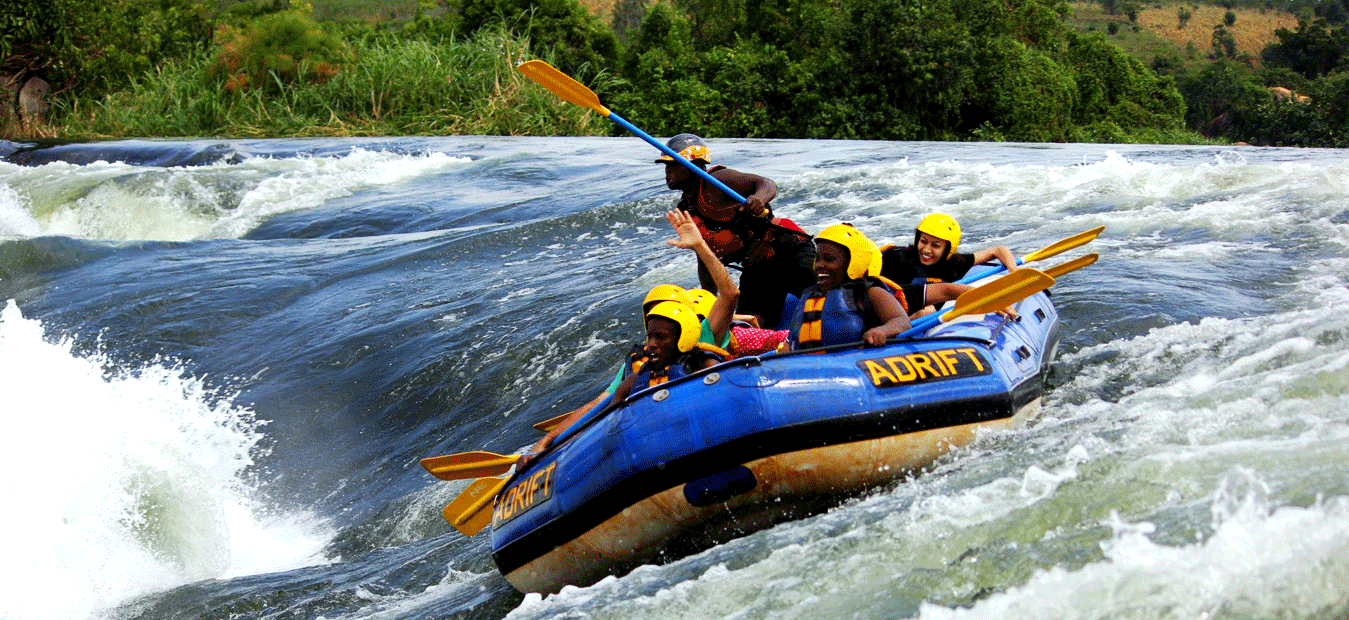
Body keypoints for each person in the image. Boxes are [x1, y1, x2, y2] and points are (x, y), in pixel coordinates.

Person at [528, 301, 724, 459]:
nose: (651, 344)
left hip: (698, 437)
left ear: (683, 338)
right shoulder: (635, 379)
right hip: (653, 450)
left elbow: (724, 393)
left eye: (660, 337)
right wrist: (548, 445)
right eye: (650, 337)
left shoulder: (703, 363)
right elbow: (604, 421)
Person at [657, 133, 815, 330]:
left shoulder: (718, 181)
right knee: (746, 329)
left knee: (822, 300)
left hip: (788, 251)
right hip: (757, 270)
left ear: (691, 165)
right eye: (665, 166)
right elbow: (705, 259)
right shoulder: (686, 210)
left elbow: (766, 184)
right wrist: (709, 301)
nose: (667, 171)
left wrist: (759, 199)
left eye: (672, 165)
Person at [785, 224, 912, 350]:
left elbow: (901, 320)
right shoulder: (809, 295)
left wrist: (882, 331)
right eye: (817, 259)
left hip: (857, 363)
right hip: (808, 365)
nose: (819, 265)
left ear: (853, 263)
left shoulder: (869, 292)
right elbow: (789, 343)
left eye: (828, 259)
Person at [880, 213, 1018, 286]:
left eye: (935, 245)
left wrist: (1014, 274)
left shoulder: (955, 263)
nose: (927, 250)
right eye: (923, 242)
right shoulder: (896, 258)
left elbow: (998, 250)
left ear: (947, 250)